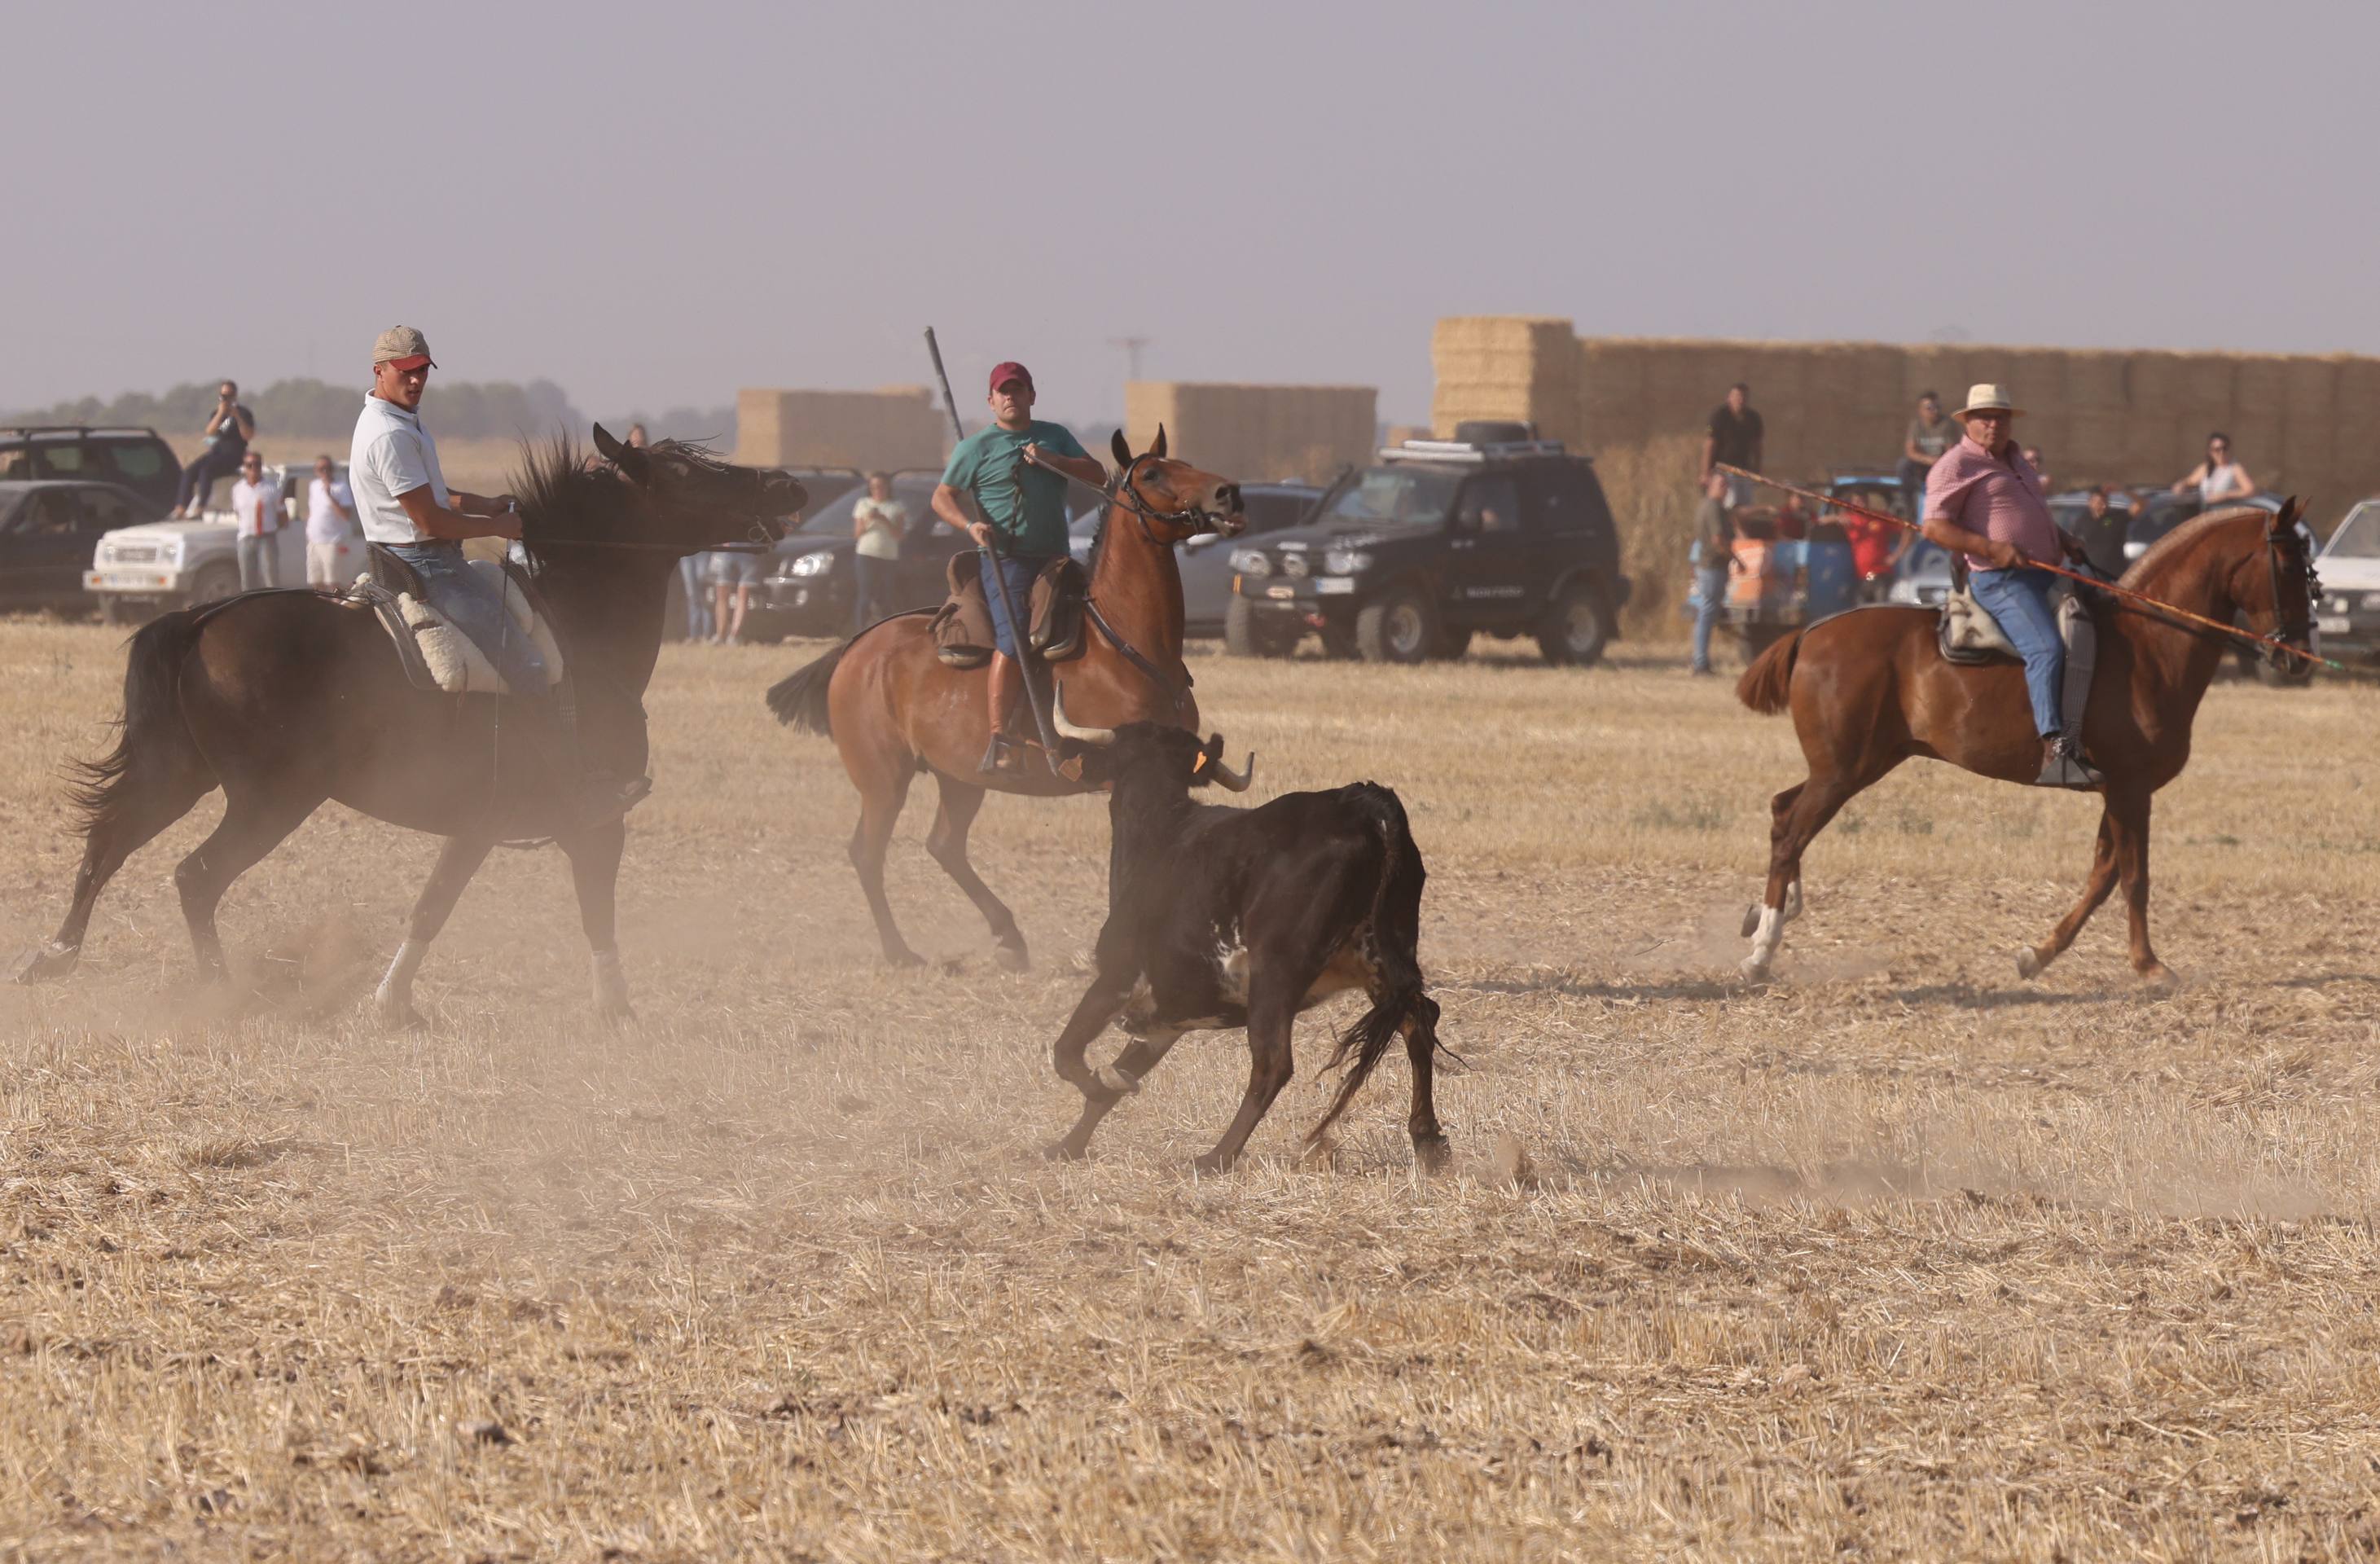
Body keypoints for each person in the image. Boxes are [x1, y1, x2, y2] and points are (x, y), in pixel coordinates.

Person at [349, 326, 639, 819]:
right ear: (380, 371)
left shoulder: (398, 420)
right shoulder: (391, 434)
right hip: (428, 567)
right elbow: (429, 521)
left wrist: (482, 502)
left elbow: (431, 495)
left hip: (417, 557)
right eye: (406, 372)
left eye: (422, 372)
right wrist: (497, 526)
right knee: (529, 666)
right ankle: (567, 788)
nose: (416, 381)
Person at [1920, 384, 2101, 789]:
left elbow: (2027, 513)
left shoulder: (2018, 460)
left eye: (2000, 417)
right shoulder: (1955, 465)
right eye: (1984, 417)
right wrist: (1991, 548)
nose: (1993, 424)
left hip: (2045, 573)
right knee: (2046, 648)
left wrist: (2063, 538)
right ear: (1967, 421)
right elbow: (1933, 527)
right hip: (1998, 579)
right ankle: (2055, 751)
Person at [932, 360, 1105, 774]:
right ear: (991, 401)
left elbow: (1098, 475)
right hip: (1006, 559)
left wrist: (1053, 460)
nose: (1010, 397)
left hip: (1055, 559)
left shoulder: (1055, 436)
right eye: (1003, 391)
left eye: (1018, 389)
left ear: (1032, 396)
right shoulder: (974, 448)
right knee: (1012, 640)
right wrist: (970, 526)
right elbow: (941, 497)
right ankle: (1000, 737)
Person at [173, 380, 257, 517]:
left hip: (234, 455)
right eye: (224, 396)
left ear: (235, 396)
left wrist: (236, 416)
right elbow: (211, 432)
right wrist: (221, 413)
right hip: (217, 453)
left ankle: (200, 507)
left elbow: (248, 435)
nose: (227, 399)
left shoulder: (244, 413)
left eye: (229, 396)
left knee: (207, 470)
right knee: (190, 471)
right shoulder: (218, 414)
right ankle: (181, 508)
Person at [1688, 472, 1735, 675]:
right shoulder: (1714, 508)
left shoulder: (1706, 506)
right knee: (1707, 613)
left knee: (1706, 613)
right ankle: (1700, 662)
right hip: (1712, 567)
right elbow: (1718, 539)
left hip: (1707, 566)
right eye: (1721, 484)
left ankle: (1700, 660)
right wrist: (1736, 559)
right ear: (1712, 486)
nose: (1725, 489)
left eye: (1726, 485)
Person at [851, 472, 907, 633]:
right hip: (866, 554)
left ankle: (885, 632)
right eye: (874, 487)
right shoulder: (863, 504)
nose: (877, 490)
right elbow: (857, 534)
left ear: (888, 487)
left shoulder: (896, 506)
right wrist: (868, 519)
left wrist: (885, 520)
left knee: (885, 597)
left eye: (881, 486)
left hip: (888, 556)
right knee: (865, 596)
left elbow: (900, 535)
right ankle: (860, 631)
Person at [1897, 391, 1958, 519]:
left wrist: (1939, 462)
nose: (1934, 411)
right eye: (1929, 408)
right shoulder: (1916, 425)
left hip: (1942, 466)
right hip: (1923, 465)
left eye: (1937, 407)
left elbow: (1951, 452)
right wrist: (1928, 459)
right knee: (1903, 464)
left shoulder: (1947, 424)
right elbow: (1910, 451)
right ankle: (1906, 504)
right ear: (1920, 410)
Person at [1700, 382, 1763, 507]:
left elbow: (1757, 446)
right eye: (1737, 396)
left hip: (1744, 470)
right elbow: (1709, 444)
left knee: (1745, 506)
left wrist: (1757, 471)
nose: (1740, 400)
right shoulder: (1718, 416)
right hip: (1723, 470)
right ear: (1729, 397)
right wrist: (1705, 473)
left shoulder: (1754, 418)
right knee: (1728, 505)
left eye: (1744, 397)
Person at [229, 451, 283, 590]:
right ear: (245, 467)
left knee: (271, 578)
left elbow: (282, 514)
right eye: (250, 465)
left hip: (267, 538)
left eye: (257, 464)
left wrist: (271, 527)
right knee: (247, 580)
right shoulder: (237, 489)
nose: (254, 468)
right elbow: (238, 512)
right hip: (246, 538)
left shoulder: (272, 487)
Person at [303, 455, 357, 588]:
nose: (325, 472)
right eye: (321, 469)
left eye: (328, 468)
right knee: (316, 582)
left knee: (333, 582)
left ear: (332, 469)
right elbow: (313, 509)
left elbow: (346, 515)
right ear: (316, 471)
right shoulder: (314, 486)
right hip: (314, 542)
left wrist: (330, 496)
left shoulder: (341, 487)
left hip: (332, 542)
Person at [2175, 433, 2254, 507]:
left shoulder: (2235, 468)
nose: (2221, 453)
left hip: (2225, 512)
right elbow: (2189, 481)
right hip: (2206, 512)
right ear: (2210, 452)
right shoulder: (2205, 468)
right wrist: (2181, 485)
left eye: (2224, 448)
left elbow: (2250, 490)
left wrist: (2225, 495)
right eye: (2217, 450)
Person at [2071, 486, 2130, 580]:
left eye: (2105, 502)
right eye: (2100, 503)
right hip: (2093, 573)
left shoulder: (2117, 517)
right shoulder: (2083, 520)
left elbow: (2141, 504)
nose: (2104, 506)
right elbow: (2071, 540)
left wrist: (2123, 489)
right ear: (2091, 503)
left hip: (2116, 572)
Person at [709, 543, 759, 644]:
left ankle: (734, 635)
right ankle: (720, 635)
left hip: (748, 552)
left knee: (742, 595)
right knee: (722, 594)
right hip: (729, 552)